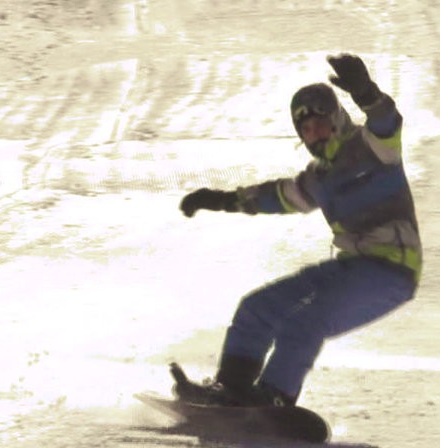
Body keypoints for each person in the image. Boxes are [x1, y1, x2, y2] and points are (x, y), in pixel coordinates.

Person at [174, 53, 422, 407]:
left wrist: (366, 93)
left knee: (307, 321)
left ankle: (276, 396)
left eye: (319, 125)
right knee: (257, 307)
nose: (314, 136)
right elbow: (276, 197)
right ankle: (231, 388)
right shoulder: (320, 177)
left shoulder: (372, 149)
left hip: (392, 271)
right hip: (351, 267)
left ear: (336, 120)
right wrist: (219, 200)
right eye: (305, 131)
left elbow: (387, 123)